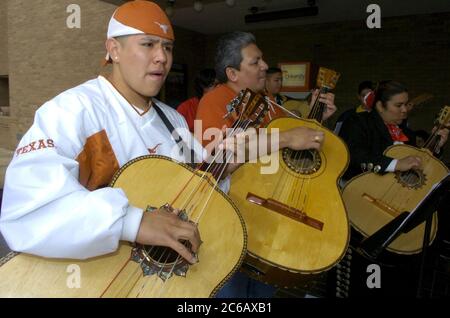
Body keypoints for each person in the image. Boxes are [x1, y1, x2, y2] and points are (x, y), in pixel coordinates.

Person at [0, 0, 211, 263]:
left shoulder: (174, 120)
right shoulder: (72, 111)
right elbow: (26, 210)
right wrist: (132, 222)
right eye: (148, 44)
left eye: (167, 47)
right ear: (114, 50)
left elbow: (202, 185)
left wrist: (225, 166)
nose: (162, 57)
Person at [195, 31, 337, 298]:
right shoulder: (215, 100)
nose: (264, 66)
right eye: (255, 61)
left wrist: (319, 119)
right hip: (231, 221)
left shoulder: (271, 106)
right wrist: (287, 137)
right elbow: (218, 160)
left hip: (269, 221)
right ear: (233, 73)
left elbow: (296, 151)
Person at [339, 80, 448, 182]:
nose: (405, 110)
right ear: (380, 106)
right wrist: (396, 164)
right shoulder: (357, 121)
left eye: (405, 104)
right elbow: (354, 155)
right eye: (399, 105)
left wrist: (435, 145)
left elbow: (420, 163)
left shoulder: (405, 131)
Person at [177, 68, 217, 132]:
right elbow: (176, 135)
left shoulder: (222, 105)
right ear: (203, 87)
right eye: (215, 85)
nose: (219, 88)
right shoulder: (186, 108)